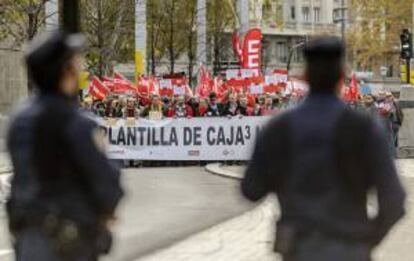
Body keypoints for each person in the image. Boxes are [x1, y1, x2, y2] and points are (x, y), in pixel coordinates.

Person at [241, 36, 405, 261]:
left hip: (299, 248)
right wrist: (367, 237)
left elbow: (251, 190)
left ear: (305, 77)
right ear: (342, 76)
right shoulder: (363, 127)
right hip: (350, 248)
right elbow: (395, 199)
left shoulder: (279, 127)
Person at [7, 31, 124, 261]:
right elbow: (108, 183)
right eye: (74, 63)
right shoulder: (77, 123)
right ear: (65, 72)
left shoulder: (18, 120)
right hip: (69, 243)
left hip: (28, 240)